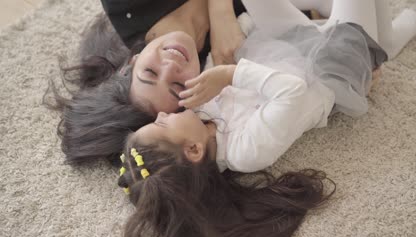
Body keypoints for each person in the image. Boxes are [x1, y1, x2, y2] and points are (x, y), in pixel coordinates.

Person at [116, 0, 416, 237]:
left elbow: (225, 56)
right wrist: (231, 75)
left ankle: (378, 39)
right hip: (328, 65)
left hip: (281, 42)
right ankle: (378, 43)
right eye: (162, 123)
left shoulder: (198, 113)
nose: (166, 113)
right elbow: (292, 91)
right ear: (193, 149)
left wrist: (240, 29)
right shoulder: (246, 153)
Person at [48, 0, 325, 165]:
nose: (171, 65)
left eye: (150, 72)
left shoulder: (127, 4)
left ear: (132, 62)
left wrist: (220, 12)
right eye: (179, 87)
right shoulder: (219, 58)